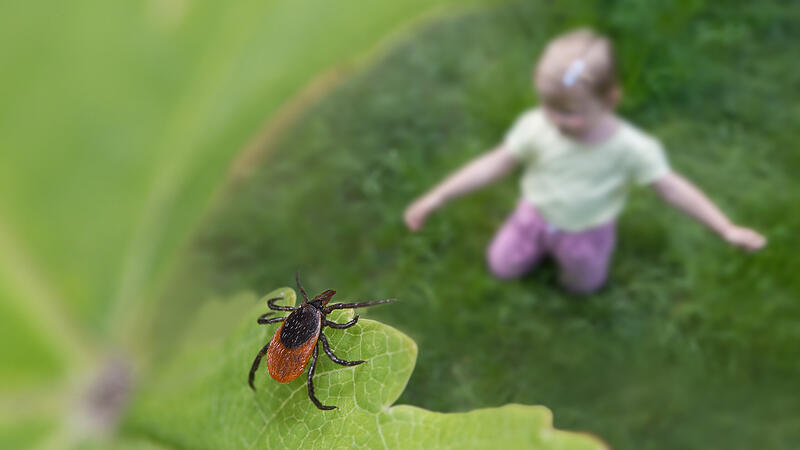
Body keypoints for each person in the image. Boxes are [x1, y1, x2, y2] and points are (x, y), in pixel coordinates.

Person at [403, 28, 766, 295]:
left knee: (583, 286)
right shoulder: (536, 127)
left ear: (611, 98)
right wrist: (438, 196)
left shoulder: (633, 149)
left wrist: (725, 228)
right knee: (501, 268)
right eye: (549, 106)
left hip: (587, 231)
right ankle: (530, 249)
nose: (557, 120)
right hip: (533, 217)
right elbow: (494, 163)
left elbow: (672, 188)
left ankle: (575, 274)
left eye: (570, 112)